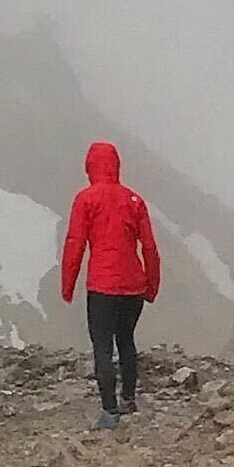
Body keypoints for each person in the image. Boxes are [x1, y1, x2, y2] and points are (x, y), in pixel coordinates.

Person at [59, 138, 160, 428]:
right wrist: (151, 286)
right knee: (126, 340)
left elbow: (75, 244)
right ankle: (128, 398)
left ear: (90, 167)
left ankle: (109, 411)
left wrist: (68, 286)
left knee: (102, 346)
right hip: (133, 286)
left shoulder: (86, 199)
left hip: (102, 286)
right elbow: (149, 247)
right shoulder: (134, 200)